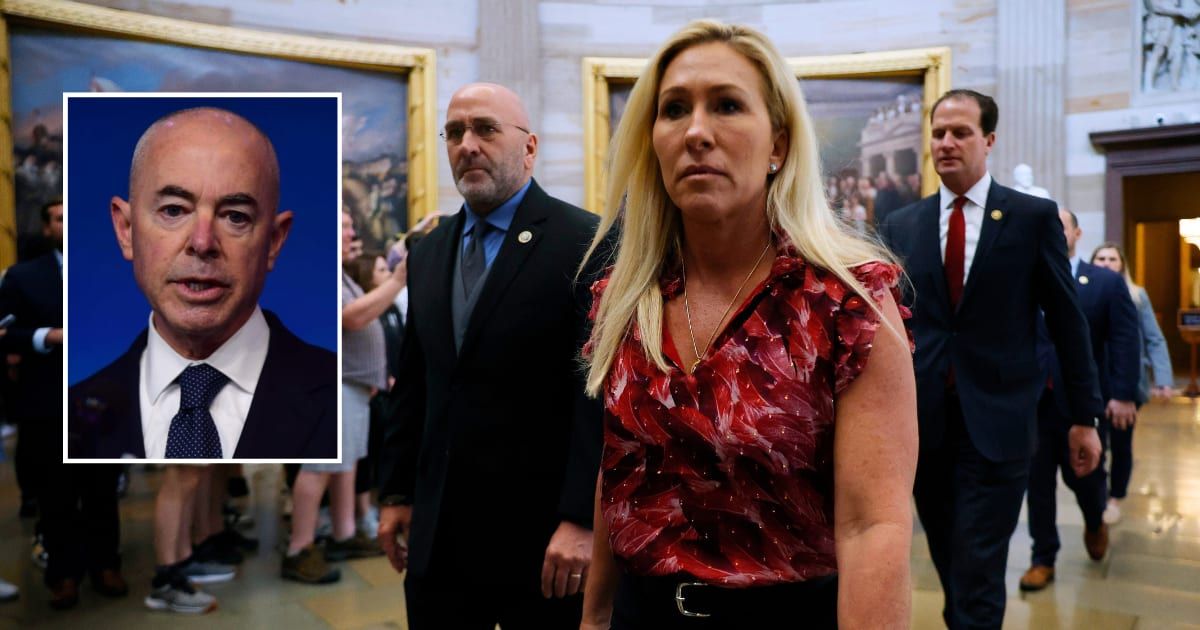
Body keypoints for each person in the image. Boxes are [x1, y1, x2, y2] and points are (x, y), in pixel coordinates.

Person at [579, 20, 917, 628]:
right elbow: (617, 476)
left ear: (779, 145)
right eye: (674, 109)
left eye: (728, 105)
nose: (697, 132)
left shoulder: (844, 302)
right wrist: (594, 618)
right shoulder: (626, 299)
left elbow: (875, 528)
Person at [377, 82, 603, 629]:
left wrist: (581, 518)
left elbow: (595, 397)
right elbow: (415, 383)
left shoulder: (585, 242)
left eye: (484, 129)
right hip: (438, 541)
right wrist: (397, 491)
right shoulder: (427, 250)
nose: (467, 144)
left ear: (529, 148)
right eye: (454, 133)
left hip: (543, 544)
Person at [878, 89, 1104, 629]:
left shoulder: (1030, 218)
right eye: (938, 134)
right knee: (950, 565)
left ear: (990, 140)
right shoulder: (903, 225)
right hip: (925, 428)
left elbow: (1069, 326)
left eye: (960, 133)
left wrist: (1083, 418)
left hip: (999, 426)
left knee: (978, 571)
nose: (947, 143)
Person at [67, 107, 336, 459]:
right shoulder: (69, 415)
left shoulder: (335, 393)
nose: (203, 242)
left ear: (274, 241)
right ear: (126, 230)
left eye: (235, 217)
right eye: (174, 211)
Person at [1, 199, 127, 609]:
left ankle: (106, 565)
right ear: (47, 227)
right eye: (58, 219)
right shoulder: (22, 277)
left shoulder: (108, 271)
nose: (66, 225)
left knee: (102, 488)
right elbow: (6, 333)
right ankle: (64, 574)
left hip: (99, 399)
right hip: (46, 400)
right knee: (56, 493)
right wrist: (48, 337)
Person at [1019, 210, 1140, 592]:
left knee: (1085, 477)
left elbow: (1123, 341)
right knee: (1037, 483)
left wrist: (1123, 394)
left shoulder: (1104, 282)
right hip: (1036, 401)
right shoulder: (1024, 280)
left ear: (1076, 233)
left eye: (1060, 225)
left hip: (1084, 402)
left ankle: (1093, 520)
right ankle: (1043, 557)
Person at [282, 211, 392, 585]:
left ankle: (344, 535)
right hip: (331, 386)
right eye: (343, 226)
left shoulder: (340, 272)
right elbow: (353, 319)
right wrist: (399, 280)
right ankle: (299, 548)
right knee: (318, 469)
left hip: (352, 384)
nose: (351, 232)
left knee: (345, 466)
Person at [1092, 241, 1175, 524]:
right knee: (1096, 442)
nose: (1106, 263)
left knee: (1121, 441)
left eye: (1112, 259)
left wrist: (1163, 379)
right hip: (1094, 381)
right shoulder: (1086, 291)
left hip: (1127, 383)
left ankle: (1115, 496)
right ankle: (1099, 494)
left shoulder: (1137, 295)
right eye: (1100, 258)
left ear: (1122, 264)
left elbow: (1154, 337)